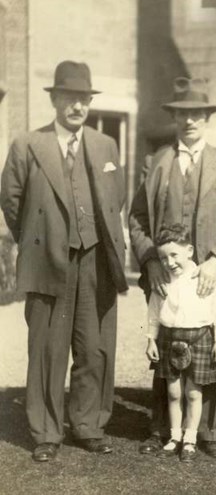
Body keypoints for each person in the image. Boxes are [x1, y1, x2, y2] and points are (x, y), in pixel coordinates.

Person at [0, 61, 128, 462]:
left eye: (84, 99)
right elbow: (12, 201)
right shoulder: (27, 145)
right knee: (48, 351)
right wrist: (42, 238)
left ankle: (88, 425)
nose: (77, 106)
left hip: (95, 262)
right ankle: (46, 433)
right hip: (47, 261)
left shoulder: (106, 145)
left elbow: (115, 199)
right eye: (69, 98)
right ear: (54, 100)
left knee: (93, 349)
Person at [129, 77, 216, 458]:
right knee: (165, 357)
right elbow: (136, 218)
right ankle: (161, 429)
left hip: (210, 281)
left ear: (207, 118)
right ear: (174, 118)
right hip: (166, 278)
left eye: (197, 114)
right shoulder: (157, 162)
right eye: (182, 115)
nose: (189, 121)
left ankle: (211, 434)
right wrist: (150, 260)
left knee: (212, 356)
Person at [146, 223, 216, 463]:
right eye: (163, 257)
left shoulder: (203, 277)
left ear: (189, 251)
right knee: (172, 392)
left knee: (193, 394)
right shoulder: (162, 280)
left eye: (174, 255)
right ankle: (174, 437)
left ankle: (190, 439)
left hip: (200, 338)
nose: (169, 262)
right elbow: (153, 312)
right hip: (170, 339)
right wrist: (150, 339)